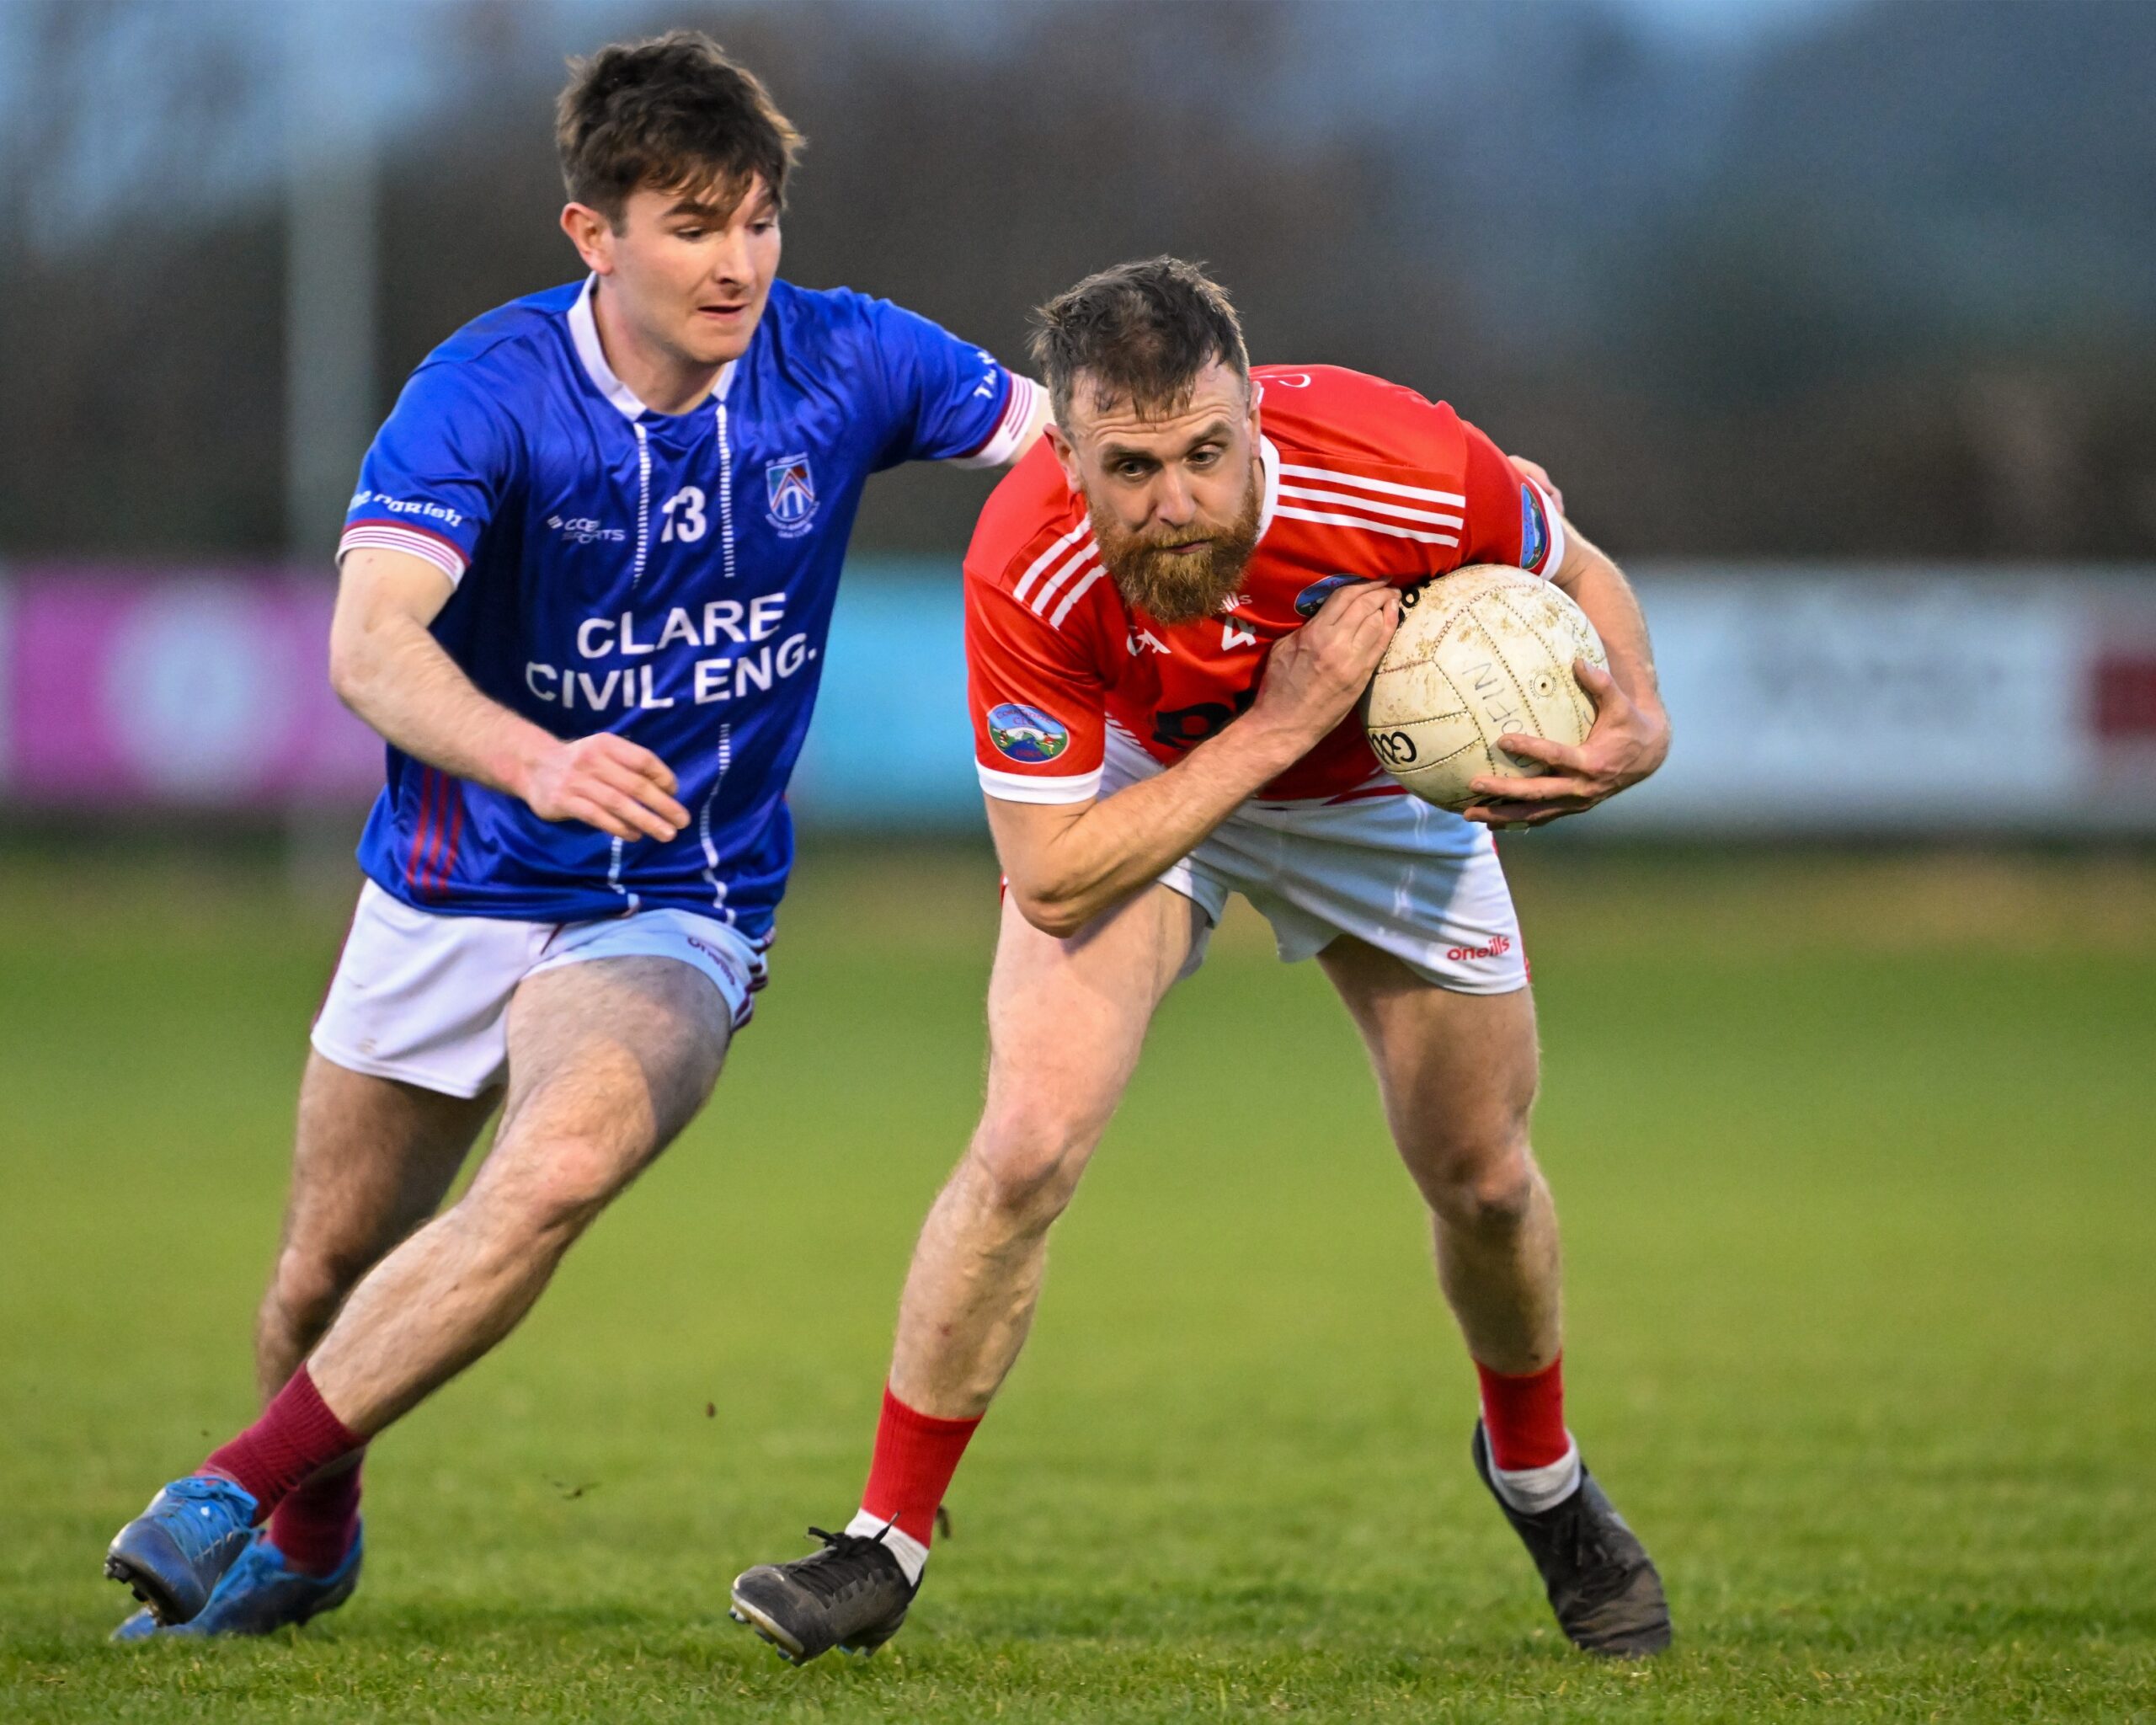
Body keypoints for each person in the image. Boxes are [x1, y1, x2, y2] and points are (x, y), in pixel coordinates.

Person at [102, 30, 1048, 1640]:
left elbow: (1088, 441)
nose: (738, 263)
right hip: (453, 884)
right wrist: (532, 758)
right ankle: (314, 1535)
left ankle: (225, 1488)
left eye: (759, 220)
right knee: (320, 1278)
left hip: (680, 902)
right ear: (592, 233)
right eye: (693, 226)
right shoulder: (487, 392)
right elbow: (370, 644)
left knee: (552, 1172)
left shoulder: (850, 358)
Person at [729, 257, 1674, 1664]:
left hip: (1375, 801)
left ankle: (1541, 1481)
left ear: (1253, 422)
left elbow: (1574, 560)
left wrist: (1641, 716)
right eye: (1130, 467)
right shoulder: (1024, 558)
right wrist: (1277, 726)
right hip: (1144, 794)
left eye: (1205, 456)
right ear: (1067, 455)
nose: (1175, 499)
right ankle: (883, 1544)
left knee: (1483, 1180)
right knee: (1026, 1145)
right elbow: (1055, 877)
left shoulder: (1402, 462)